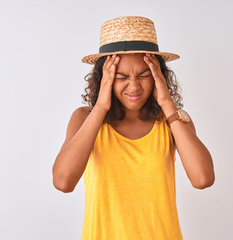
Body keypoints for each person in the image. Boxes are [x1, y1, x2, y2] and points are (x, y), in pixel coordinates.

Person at [52, 16, 215, 240]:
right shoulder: (84, 119)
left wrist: (168, 104)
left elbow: (203, 179)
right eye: (120, 76)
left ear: (159, 76)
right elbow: (63, 182)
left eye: (144, 75)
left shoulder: (173, 121)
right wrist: (100, 106)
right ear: (104, 78)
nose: (134, 85)